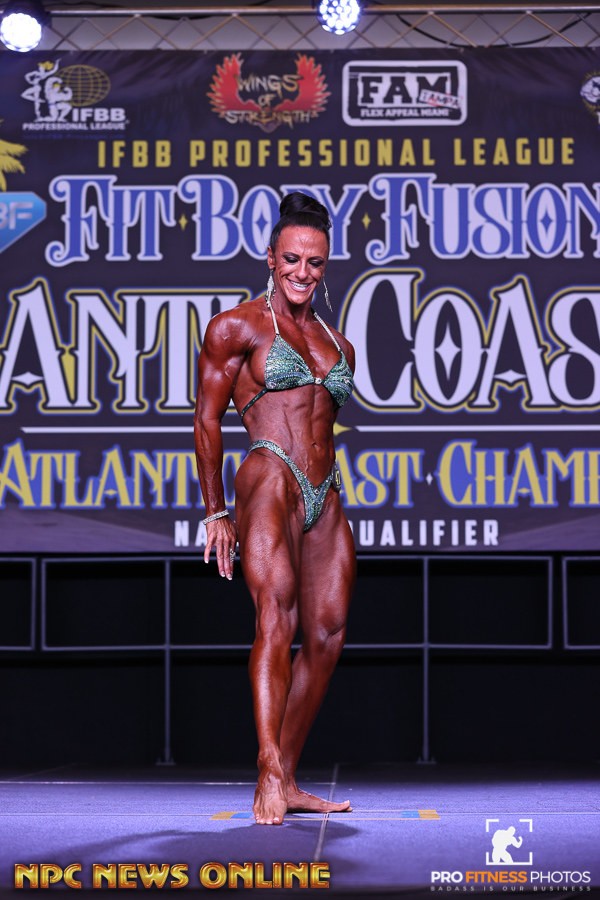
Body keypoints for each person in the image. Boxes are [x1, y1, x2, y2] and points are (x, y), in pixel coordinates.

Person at [194, 192, 356, 825]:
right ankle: (265, 767)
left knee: (328, 634)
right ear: (271, 257)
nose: (302, 273)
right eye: (292, 259)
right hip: (269, 473)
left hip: (324, 488)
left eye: (315, 263)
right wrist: (216, 512)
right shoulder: (236, 327)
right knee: (276, 617)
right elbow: (207, 419)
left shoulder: (337, 342)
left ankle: (287, 774)